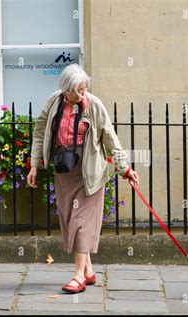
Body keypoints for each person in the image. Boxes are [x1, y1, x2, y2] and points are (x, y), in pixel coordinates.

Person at [27, 64, 139, 293]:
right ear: (66, 89)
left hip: (90, 172)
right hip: (63, 169)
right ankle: (88, 271)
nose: (82, 94)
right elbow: (40, 133)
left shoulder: (94, 105)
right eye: (77, 91)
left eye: (84, 89)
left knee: (81, 223)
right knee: (70, 221)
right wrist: (34, 165)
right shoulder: (54, 102)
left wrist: (125, 169)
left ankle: (78, 276)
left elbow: (110, 137)